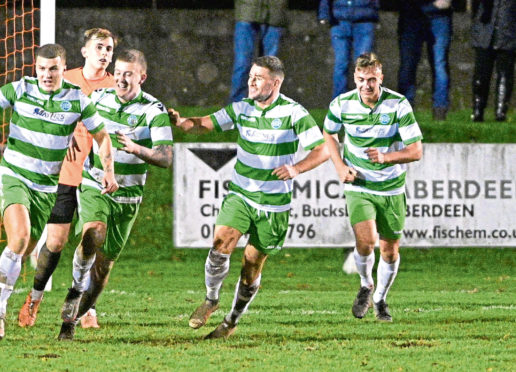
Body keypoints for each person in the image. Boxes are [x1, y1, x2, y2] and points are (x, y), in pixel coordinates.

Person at [0, 43, 118, 341]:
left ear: (64, 69)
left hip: (46, 188)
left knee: (22, 248)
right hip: (14, 176)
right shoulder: (20, 89)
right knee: (21, 238)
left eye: (53, 68)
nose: (46, 74)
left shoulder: (76, 99)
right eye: (41, 68)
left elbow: (102, 137)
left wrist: (108, 170)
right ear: (35, 68)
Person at [170, 56, 329, 339]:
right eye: (250, 75)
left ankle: (231, 321)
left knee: (250, 266)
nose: (251, 81)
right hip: (241, 194)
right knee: (220, 242)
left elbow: (322, 149)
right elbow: (206, 123)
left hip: (274, 205)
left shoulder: (294, 113)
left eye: (258, 77)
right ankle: (211, 298)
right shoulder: (242, 108)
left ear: (275, 82)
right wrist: (183, 121)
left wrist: (296, 168)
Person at [57, 49, 173, 340]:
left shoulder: (153, 110)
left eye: (128, 74)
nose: (120, 79)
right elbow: (74, 111)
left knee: (104, 267)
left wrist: (137, 149)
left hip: (128, 195)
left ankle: (79, 311)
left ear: (142, 77)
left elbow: (165, 157)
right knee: (92, 232)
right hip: (95, 181)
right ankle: (75, 288)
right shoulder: (99, 97)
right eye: (118, 72)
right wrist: (71, 130)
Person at [18, 28, 116, 331]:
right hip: (64, 174)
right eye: (99, 47)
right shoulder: (65, 78)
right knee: (56, 243)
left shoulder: (116, 85)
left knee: (92, 240)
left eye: (109, 49)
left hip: (95, 178)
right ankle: (34, 298)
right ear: (84, 51)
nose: (105, 54)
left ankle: (86, 307)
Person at [323, 52, 423, 322]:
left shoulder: (398, 105)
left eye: (371, 80)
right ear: (355, 78)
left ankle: (380, 298)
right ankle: (366, 285)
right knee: (366, 242)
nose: (366, 85)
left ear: (381, 78)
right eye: (361, 79)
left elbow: (416, 151)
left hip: (391, 187)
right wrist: (341, 167)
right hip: (360, 185)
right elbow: (329, 134)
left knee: (389, 249)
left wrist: (386, 157)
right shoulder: (342, 104)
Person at [397, 0, 453, 121]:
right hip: (411, 13)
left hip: (437, 14)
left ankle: (440, 110)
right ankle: (405, 110)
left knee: (439, 65)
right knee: (408, 65)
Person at [318, 0, 379, 99]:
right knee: (341, 64)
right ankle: (340, 104)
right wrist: (324, 13)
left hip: (363, 19)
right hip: (341, 20)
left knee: (363, 65)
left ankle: (364, 102)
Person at [229, 0, 288, 103]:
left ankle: (265, 109)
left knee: (270, 69)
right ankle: (236, 109)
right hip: (247, 11)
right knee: (242, 65)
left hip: (274, 13)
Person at [470, 0, 516, 122]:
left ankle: (500, 112)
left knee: (505, 74)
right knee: (481, 75)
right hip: (484, 30)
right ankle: (477, 111)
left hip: (508, 30)